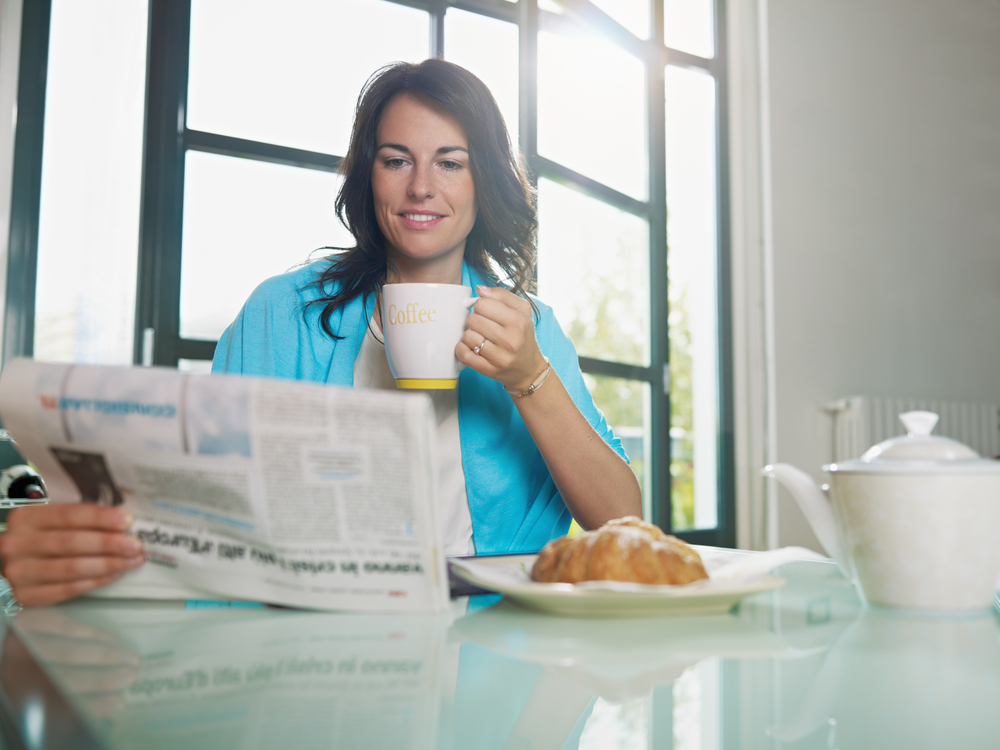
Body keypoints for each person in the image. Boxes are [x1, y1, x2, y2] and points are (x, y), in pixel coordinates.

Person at [0, 59, 641, 607]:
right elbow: (197, 512)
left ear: (485, 180)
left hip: (499, 656)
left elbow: (622, 520)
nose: (421, 187)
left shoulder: (531, 329)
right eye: (397, 160)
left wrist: (529, 378)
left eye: (450, 162)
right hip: (316, 648)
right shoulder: (281, 314)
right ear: (369, 174)